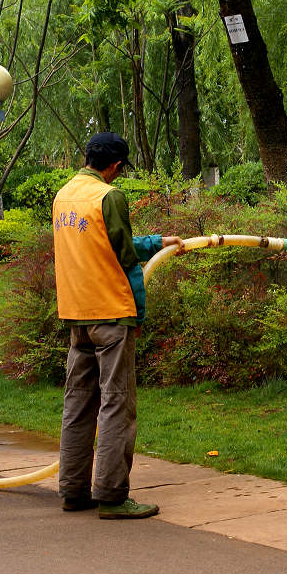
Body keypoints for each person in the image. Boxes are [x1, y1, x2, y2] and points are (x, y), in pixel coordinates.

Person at [52, 132, 184, 520]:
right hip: (111, 313)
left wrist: (157, 240)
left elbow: (95, 245)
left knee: (77, 403)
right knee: (116, 403)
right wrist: (151, 248)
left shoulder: (63, 196)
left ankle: (73, 491)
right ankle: (111, 495)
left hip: (77, 314)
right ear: (114, 165)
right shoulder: (109, 197)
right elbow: (123, 253)